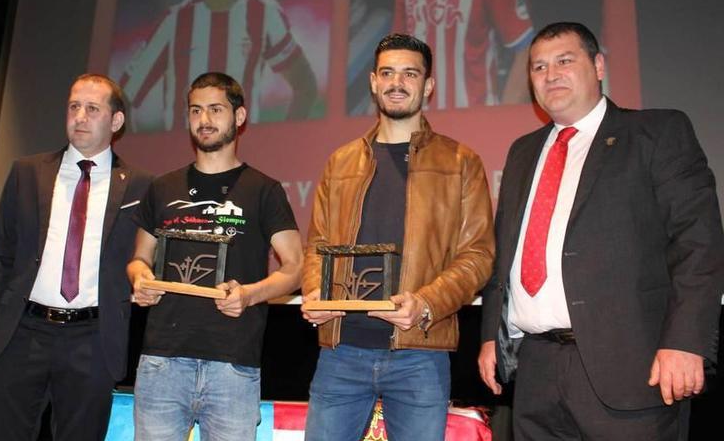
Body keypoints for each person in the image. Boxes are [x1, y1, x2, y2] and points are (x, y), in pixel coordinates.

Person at [478, 22, 724, 440]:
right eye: (538, 67)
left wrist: (687, 342)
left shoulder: (657, 133)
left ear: (598, 65)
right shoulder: (522, 152)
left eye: (564, 61)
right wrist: (491, 338)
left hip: (634, 368)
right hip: (536, 370)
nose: (550, 74)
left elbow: (698, 244)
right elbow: (507, 256)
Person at [301, 33, 495, 440]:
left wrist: (425, 304)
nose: (397, 82)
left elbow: (477, 255)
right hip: (340, 351)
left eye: (410, 73)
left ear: (428, 86)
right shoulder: (340, 162)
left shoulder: (462, 162)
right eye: (387, 72)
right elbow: (318, 245)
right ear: (372, 81)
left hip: (419, 353)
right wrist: (315, 293)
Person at [0, 74, 152, 440]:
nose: (80, 116)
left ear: (116, 121)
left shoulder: (142, 185)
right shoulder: (27, 172)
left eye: (92, 109)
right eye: (74, 107)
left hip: (93, 339)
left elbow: (146, 258)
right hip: (21, 331)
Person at [128, 71, 303, 439]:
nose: (204, 120)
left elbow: (296, 268)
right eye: (195, 111)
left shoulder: (264, 190)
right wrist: (140, 279)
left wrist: (250, 295)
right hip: (162, 362)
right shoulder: (162, 187)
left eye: (215, 110)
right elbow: (139, 258)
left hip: (233, 366)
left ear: (239, 118)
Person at [119, 0, 318, 131]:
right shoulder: (173, 21)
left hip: (244, 163)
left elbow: (305, 86)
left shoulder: (265, 13)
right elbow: (123, 98)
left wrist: (279, 144)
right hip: (183, 164)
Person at [392, 0, 533, 109]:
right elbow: (395, 52)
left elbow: (526, 49)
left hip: (474, 119)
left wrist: (502, 120)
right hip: (419, 122)